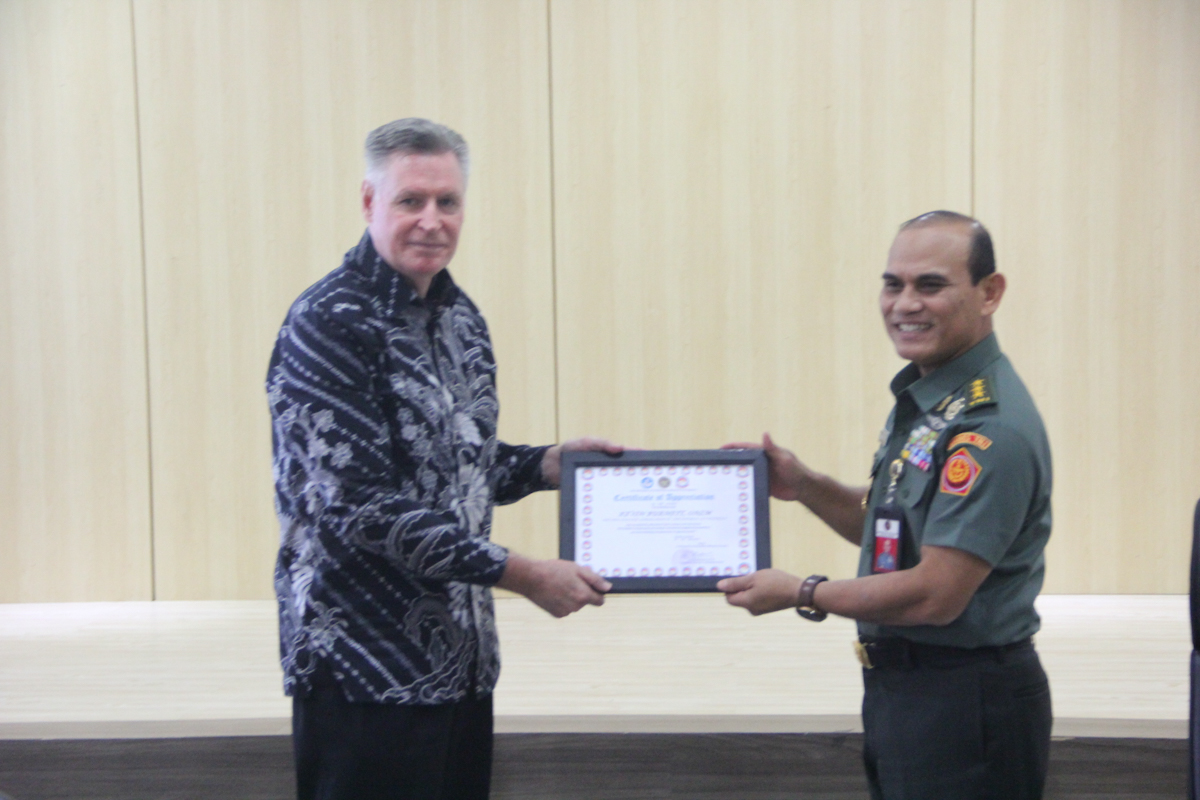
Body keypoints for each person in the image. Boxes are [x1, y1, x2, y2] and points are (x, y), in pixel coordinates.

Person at [266, 117, 619, 800]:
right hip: (364, 671)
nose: (432, 220)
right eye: (411, 200)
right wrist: (523, 574)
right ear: (369, 201)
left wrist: (549, 465)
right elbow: (361, 506)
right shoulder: (328, 322)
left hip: (459, 666)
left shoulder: (461, 320)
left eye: (447, 202)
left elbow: (456, 468)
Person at [719, 211, 1053, 799]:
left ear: (990, 293)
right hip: (910, 694)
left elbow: (935, 594)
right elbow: (893, 529)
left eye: (931, 285)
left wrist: (802, 592)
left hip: (964, 702)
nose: (905, 304)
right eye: (892, 284)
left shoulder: (988, 426)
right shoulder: (936, 401)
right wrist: (804, 484)